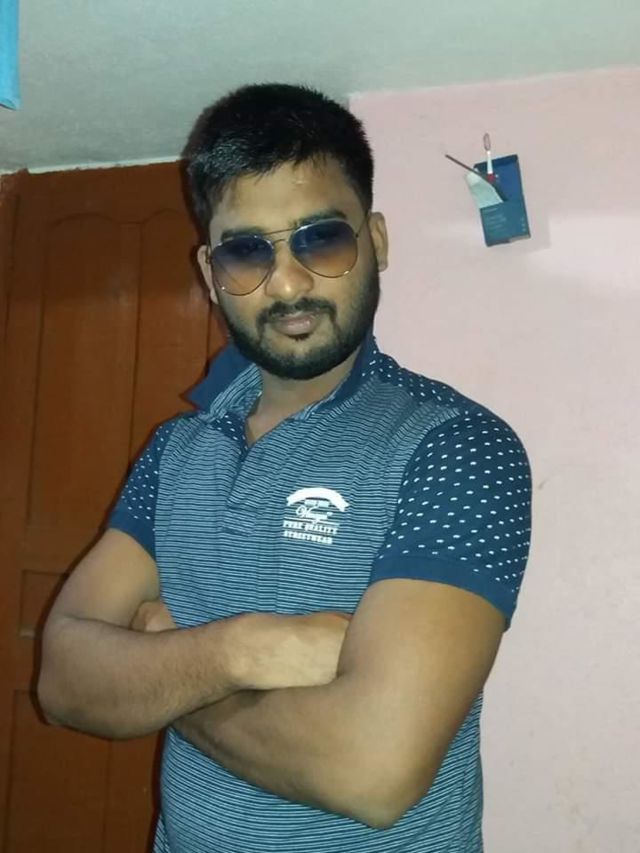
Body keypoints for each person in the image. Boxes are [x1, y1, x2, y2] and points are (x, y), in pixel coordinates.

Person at [38, 83, 532, 853]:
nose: (288, 281)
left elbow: (372, 770)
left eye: (321, 238)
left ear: (376, 239)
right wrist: (244, 648)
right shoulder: (175, 452)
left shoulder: (455, 446)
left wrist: (167, 662)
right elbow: (64, 679)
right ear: (210, 272)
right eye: (246, 250)